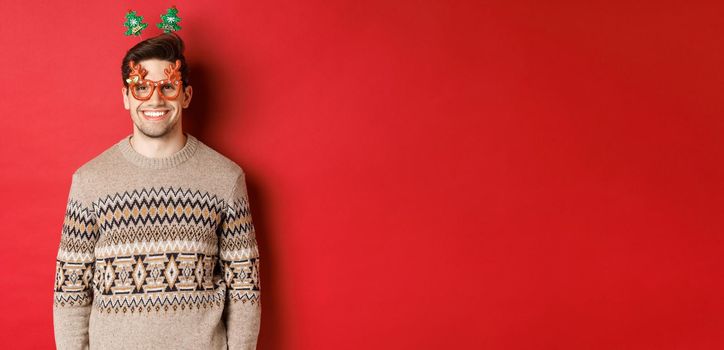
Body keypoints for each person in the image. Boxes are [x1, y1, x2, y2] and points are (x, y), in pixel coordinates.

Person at [52, 32, 261, 349]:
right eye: (141, 87)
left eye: (168, 86)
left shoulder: (226, 179)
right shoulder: (89, 181)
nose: (154, 99)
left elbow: (245, 289)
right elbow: (70, 292)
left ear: (186, 95)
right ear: (125, 96)